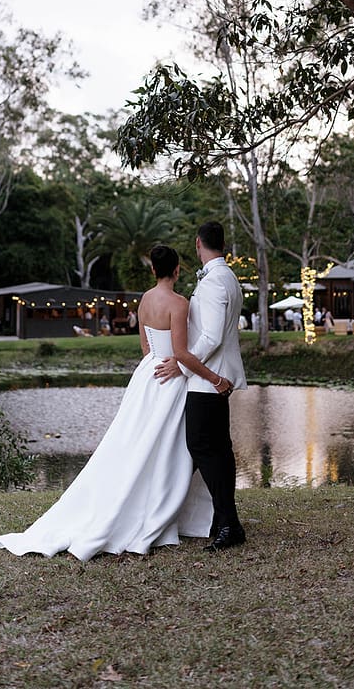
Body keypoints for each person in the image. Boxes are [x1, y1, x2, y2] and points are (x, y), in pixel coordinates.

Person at [0, 244, 229, 561]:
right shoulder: (179, 303)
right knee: (166, 449)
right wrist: (214, 378)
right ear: (177, 270)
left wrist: (156, 366)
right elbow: (183, 353)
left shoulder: (145, 299)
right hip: (170, 377)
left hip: (147, 375)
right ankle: (159, 509)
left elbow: (146, 347)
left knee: (136, 443)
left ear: (153, 270)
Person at [155, 221, 247, 552]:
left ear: (197, 243)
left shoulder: (212, 283)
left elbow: (210, 336)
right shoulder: (228, 277)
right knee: (218, 450)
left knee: (204, 447)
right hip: (213, 376)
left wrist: (182, 364)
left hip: (208, 380)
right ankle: (224, 520)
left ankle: (228, 523)